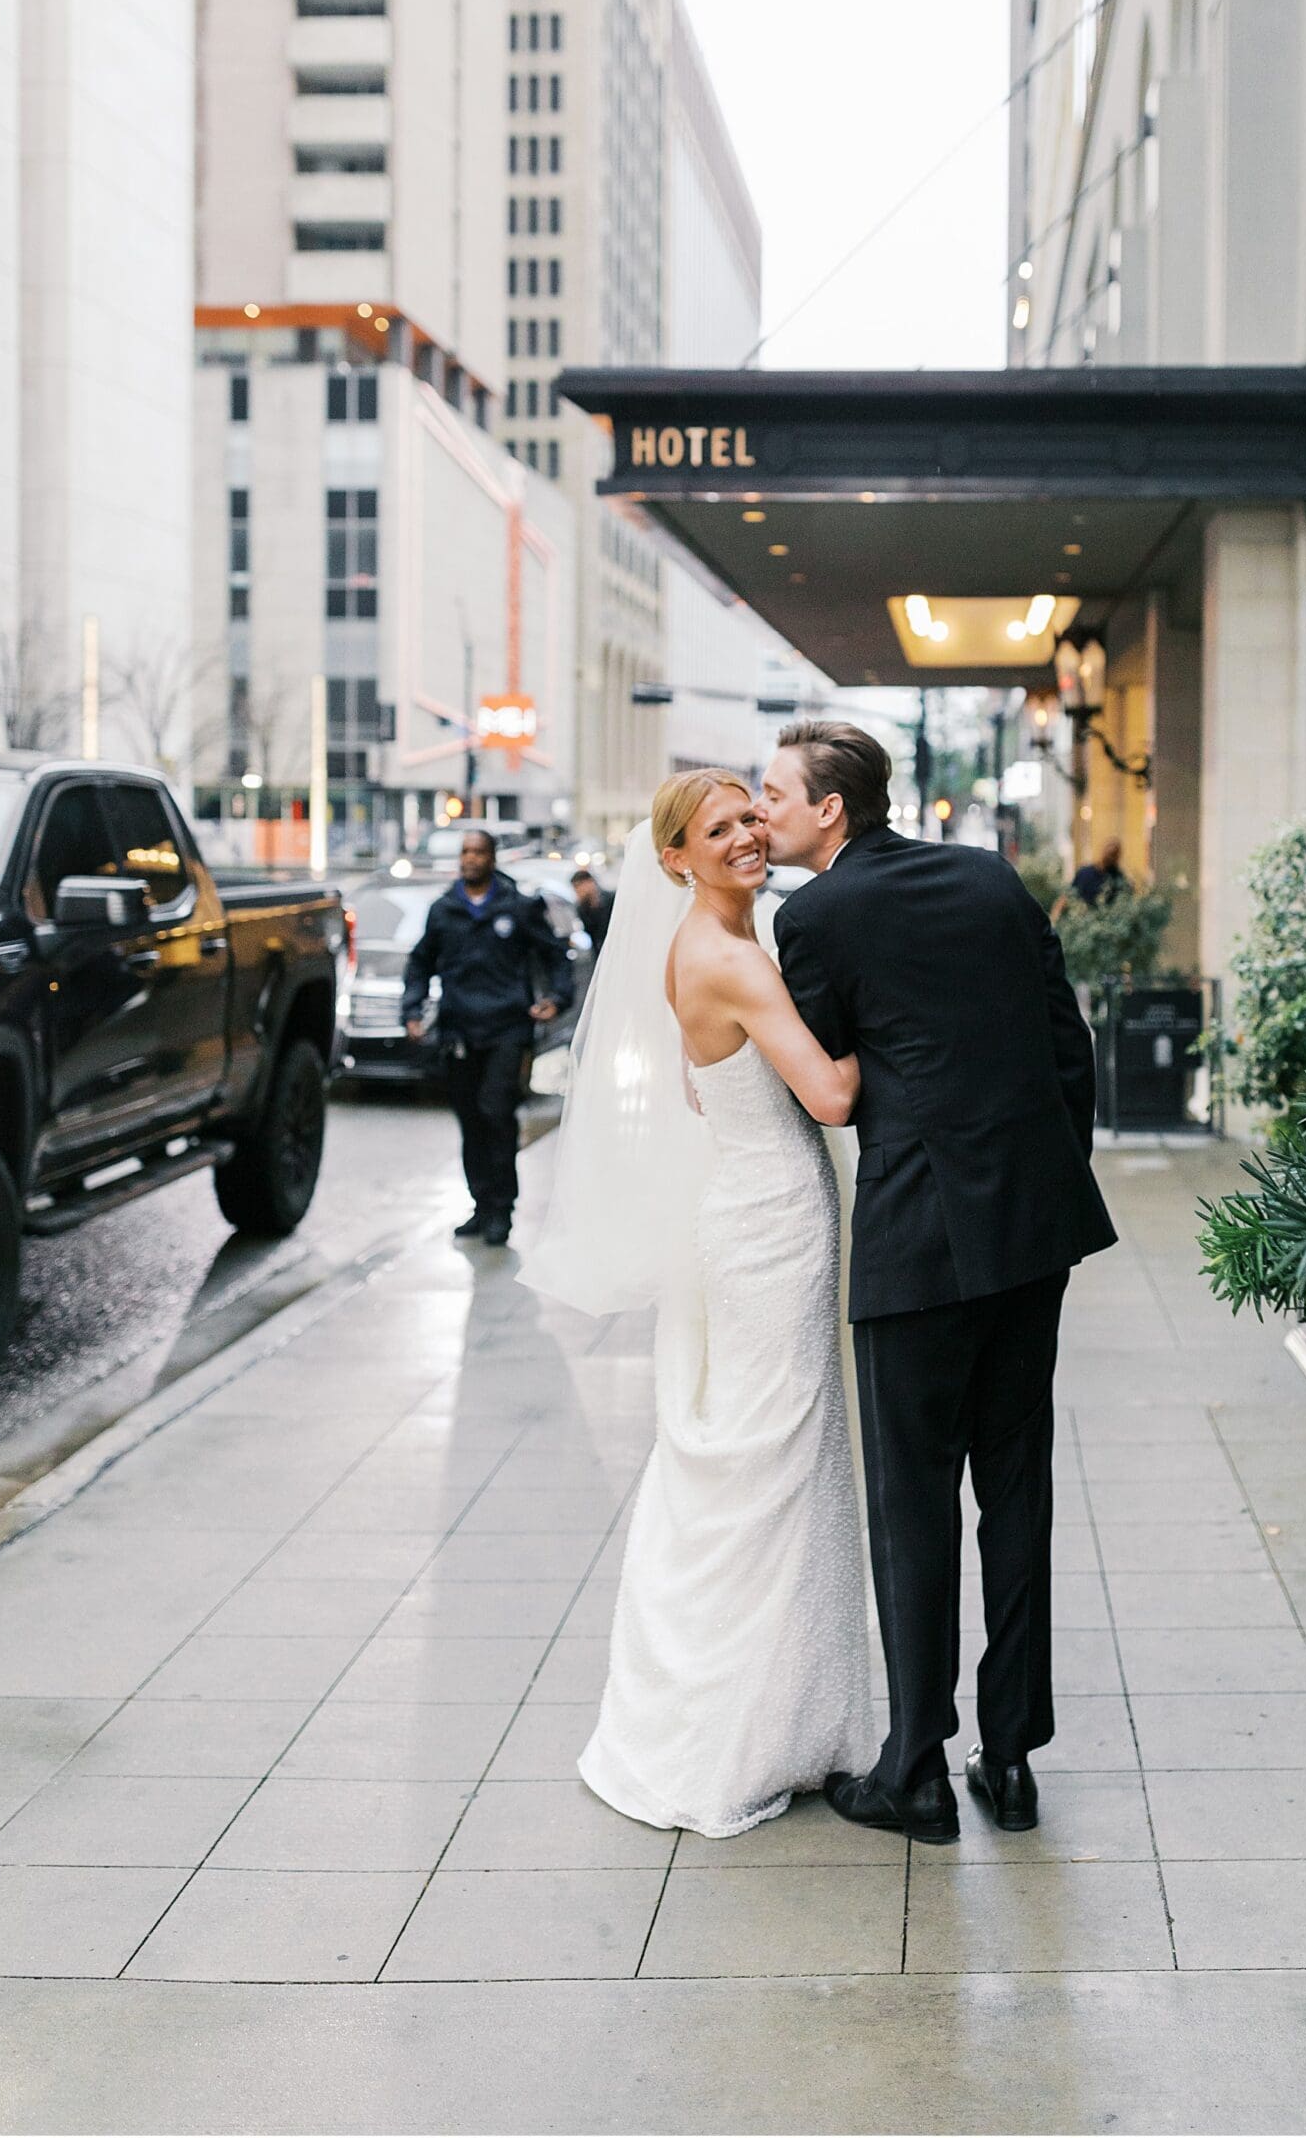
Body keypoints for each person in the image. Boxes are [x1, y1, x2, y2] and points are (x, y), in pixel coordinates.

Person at [760, 718, 1117, 1844]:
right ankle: (1007, 1760)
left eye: (775, 794)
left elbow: (825, 1077)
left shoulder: (813, 915)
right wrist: (1043, 1183)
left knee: (912, 1503)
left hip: (918, 1241)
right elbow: (1071, 1050)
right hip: (1032, 1229)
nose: (763, 811)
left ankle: (913, 1769)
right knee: (1015, 1488)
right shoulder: (991, 879)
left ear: (832, 807)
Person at [530, 771, 873, 1837]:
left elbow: (699, 1083)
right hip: (773, 1224)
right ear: (675, 856)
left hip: (750, 1207)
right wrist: (906, 1024)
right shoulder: (727, 953)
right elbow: (828, 1095)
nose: (743, 838)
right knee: (774, 1458)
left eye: (747, 819)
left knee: (765, 1452)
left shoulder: (713, 942)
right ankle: (745, 1727)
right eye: (716, 829)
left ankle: (785, 1711)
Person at [401, 829, 573, 1247]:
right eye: (465, 852)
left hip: (507, 1028)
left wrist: (557, 997)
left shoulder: (518, 906)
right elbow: (420, 962)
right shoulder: (444, 910)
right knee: (471, 1120)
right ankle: (480, 1205)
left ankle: (502, 1209)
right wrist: (412, 1009)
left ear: (492, 858)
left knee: (496, 1111)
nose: (470, 858)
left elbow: (555, 954)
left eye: (478, 851)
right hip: (459, 1031)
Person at [1070, 837, 1129, 912]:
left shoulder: (1118, 878)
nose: (1110, 857)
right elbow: (1067, 895)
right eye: (1109, 853)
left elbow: (1126, 897)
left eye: (1113, 854)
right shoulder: (1084, 873)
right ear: (1103, 851)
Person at [569, 865, 614, 954]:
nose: (578, 891)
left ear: (590, 883)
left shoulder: (611, 899)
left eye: (579, 886)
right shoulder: (581, 908)